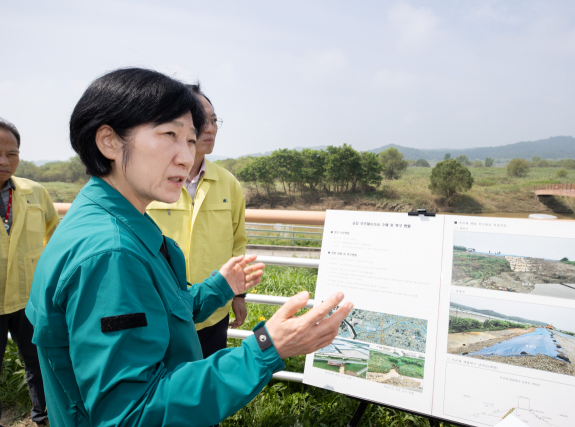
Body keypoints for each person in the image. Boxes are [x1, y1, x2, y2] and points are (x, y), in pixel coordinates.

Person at [26, 68, 352, 427]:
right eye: (169, 135)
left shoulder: (102, 219)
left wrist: (219, 287)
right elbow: (133, 413)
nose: (185, 156)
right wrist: (266, 345)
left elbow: (159, 313)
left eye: (191, 141)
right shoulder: (111, 254)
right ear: (109, 142)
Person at [147, 83, 248, 359]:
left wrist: (239, 295)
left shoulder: (228, 182)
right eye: (202, 119)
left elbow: (238, 245)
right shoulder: (150, 181)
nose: (211, 127)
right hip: (162, 309)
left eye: (215, 120)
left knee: (208, 388)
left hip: (214, 309)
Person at [0, 118, 59, 427]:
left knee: (39, 363)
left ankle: (43, 418)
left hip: (29, 298)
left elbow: (56, 236)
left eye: (12, 153)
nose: (3, 161)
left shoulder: (34, 192)